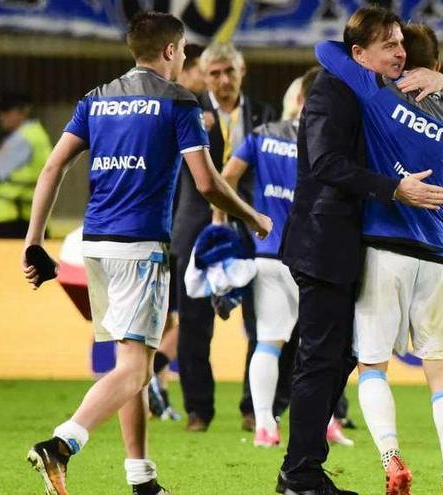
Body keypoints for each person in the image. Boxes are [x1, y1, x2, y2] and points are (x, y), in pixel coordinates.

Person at [21, 12, 271, 495]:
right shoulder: (178, 101)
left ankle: (141, 478)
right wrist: (253, 217)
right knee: (137, 368)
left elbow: (53, 167)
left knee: (126, 362)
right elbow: (206, 183)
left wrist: (34, 240)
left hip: (96, 245)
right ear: (172, 51)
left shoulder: (95, 100)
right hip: (140, 248)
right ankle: (62, 443)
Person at [277, 5, 443, 494]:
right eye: (389, 46)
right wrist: (395, 188)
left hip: (351, 247)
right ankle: (300, 473)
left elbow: (432, 120)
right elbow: (327, 164)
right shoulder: (332, 91)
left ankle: (303, 468)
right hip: (323, 242)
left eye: (401, 43)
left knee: (336, 359)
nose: (400, 52)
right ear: (358, 53)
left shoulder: (377, 94)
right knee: (320, 359)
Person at [211, 68, 355, 449]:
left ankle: (264, 427)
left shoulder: (260, 136)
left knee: (268, 343)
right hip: (310, 257)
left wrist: (226, 224)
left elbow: (223, 180)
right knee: (319, 348)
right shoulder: (323, 141)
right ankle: (325, 423)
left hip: (267, 256)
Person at [171, 41, 285, 433]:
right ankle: (198, 410)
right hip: (196, 229)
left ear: (242, 72)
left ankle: (253, 407)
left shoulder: (266, 116)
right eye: (214, 73)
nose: (222, 80)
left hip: (251, 230)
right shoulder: (186, 111)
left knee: (260, 322)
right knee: (194, 325)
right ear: (204, 75)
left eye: (229, 72)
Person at [147, 42, 210, 422]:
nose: (201, 75)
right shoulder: (186, 110)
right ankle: (151, 373)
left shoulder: (160, 108)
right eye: (198, 68)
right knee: (182, 320)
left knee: (166, 319)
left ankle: (159, 393)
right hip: (178, 230)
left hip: (165, 226)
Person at [0, 91, 51, 239]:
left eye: (6, 111)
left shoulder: (22, 139)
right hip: (30, 217)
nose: (1, 116)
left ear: (24, 111)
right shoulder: (38, 134)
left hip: (13, 221)